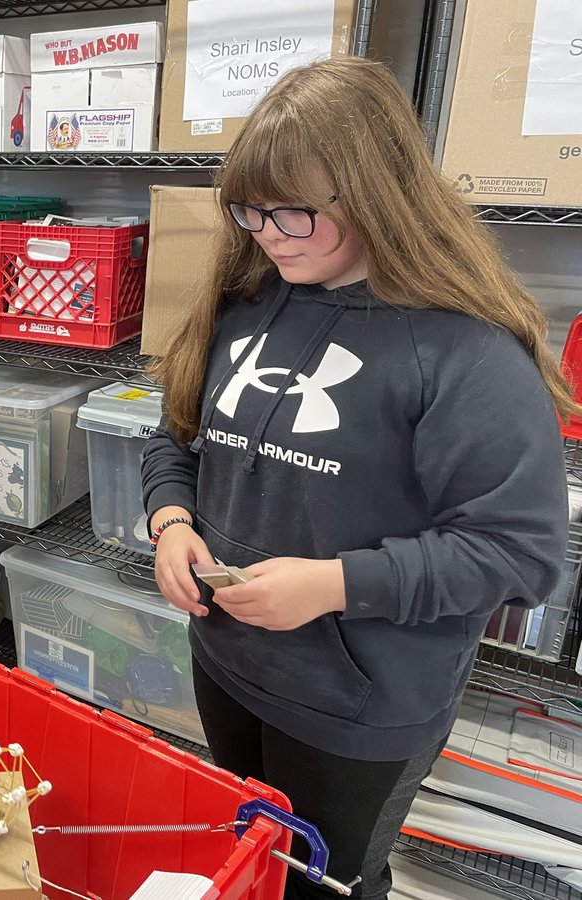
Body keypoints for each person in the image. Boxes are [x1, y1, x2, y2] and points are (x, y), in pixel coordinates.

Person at [141, 56, 572, 899]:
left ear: (374, 193)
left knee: (326, 881)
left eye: (293, 211)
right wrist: (171, 522)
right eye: (250, 210)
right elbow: (179, 437)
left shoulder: (464, 351)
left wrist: (336, 585)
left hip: (360, 706)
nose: (268, 232)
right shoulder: (248, 304)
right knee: (256, 860)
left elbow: (521, 555)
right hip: (230, 660)